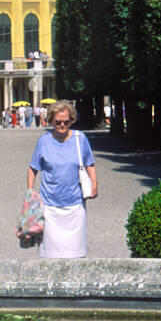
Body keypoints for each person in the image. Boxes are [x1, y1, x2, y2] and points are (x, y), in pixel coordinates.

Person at [28, 100, 97, 258]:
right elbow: (33, 168)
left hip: (75, 204)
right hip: (49, 205)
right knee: (50, 256)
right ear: (51, 121)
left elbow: (90, 163)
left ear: (71, 120)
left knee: (75, 255)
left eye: (66, 122)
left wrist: (94, 183)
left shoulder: (80, 139)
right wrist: (30, 193)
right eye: (57, 122)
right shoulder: (44, 141)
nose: (62, 125)